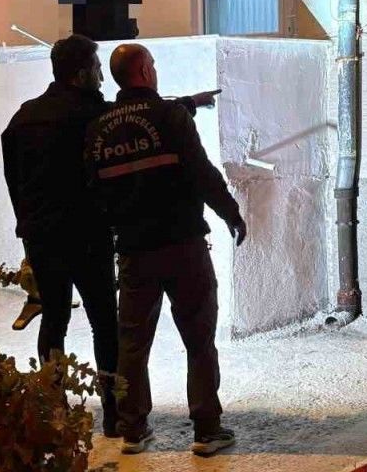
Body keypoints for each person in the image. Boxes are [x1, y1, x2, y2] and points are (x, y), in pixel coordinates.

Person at [1, 35, 218, 435]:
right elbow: (145, 116)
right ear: (82, 73)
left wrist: (25, 224)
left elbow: (12, 179)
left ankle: (54, 408)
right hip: (88, 235)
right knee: (105, 323)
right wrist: (189, 104)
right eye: (97, 69)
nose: (103, 78)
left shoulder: (23, 118)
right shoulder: (94, 115)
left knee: (54, 320)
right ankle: (115, 415)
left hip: (42, 238)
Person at [84, 43, 247, 458]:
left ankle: (133, 431)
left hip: (134, 251)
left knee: (132, 344)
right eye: (152, 65)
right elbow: (202, 173)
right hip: (183, 246)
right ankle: (206, 430)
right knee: (199, 337)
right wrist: (231, 213)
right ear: (143, 70)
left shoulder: (98, 127)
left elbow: (93, 192)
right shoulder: (170, 117)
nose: (155, 71)